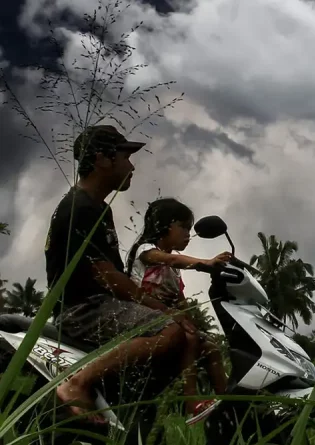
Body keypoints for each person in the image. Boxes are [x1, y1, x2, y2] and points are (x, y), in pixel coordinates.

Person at [45, 125, 195, 424]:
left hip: (102, 306)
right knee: (169, 329)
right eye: (125, 157)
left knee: (187, 341)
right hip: (82, 310)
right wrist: (162, 309)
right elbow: (107, 276)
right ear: (102, 159)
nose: (132, 165)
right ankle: (77, 382)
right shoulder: (79, 207)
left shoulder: (99, 208)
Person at [125, 197, 231, 424]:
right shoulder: (146, 250)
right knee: (190, 338)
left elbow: (179, 299)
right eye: (183, 227)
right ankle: (191, 401)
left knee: (211, 346)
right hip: (140, 314)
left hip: (165, 318)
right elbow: (172, 258)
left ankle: (228, 402)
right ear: (165, 225)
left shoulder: (173, 271)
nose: (187, 234)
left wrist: (192, 321)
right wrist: (206, 263)